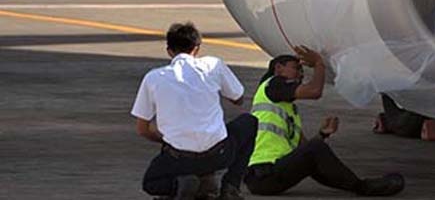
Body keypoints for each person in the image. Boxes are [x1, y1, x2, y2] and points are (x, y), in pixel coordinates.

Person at [244, 46, 405, 197]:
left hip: (269, 176)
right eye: (296, 68)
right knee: (315, 148)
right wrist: (319, 64)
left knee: (315, 150)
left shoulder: (285, 110)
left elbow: (305, 150)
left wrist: (322, 134)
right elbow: (315, 91)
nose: (300, 75)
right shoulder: (273, 84)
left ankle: (358, 186)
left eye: (302, 71)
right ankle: (362, 187)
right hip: (263, 174)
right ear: (278, 68)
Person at [131, 22, 258, 200]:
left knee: (151, 183)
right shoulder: (213, 65)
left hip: (179, 158)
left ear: (169, 51)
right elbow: (238, 98)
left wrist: (166, 140)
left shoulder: (153, 77)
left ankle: (181, 185)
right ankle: (230, 187)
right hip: (218, 154)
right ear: (197, 48)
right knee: (249, 122)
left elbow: (142, 129)